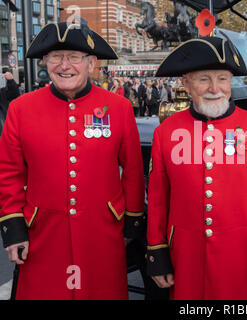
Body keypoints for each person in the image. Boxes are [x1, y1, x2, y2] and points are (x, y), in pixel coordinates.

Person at [146, 36, 247, 300]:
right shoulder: (166, 133)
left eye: (222, 78)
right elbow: (159, 198)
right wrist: (157, 250)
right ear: (186, 83)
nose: (214, 88)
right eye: (204, 79)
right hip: (186, 258)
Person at [0, 21, 145, 299]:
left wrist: (132, 220)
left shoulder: (119, 107)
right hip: (42, 236)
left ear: (91, 63)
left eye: (74, 57)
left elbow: (133, 170)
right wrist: (13, 228)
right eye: (56, 57)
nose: (64, 65)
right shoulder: (20, 109)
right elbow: (8, 173)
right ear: (45, 60)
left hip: (102, 234)